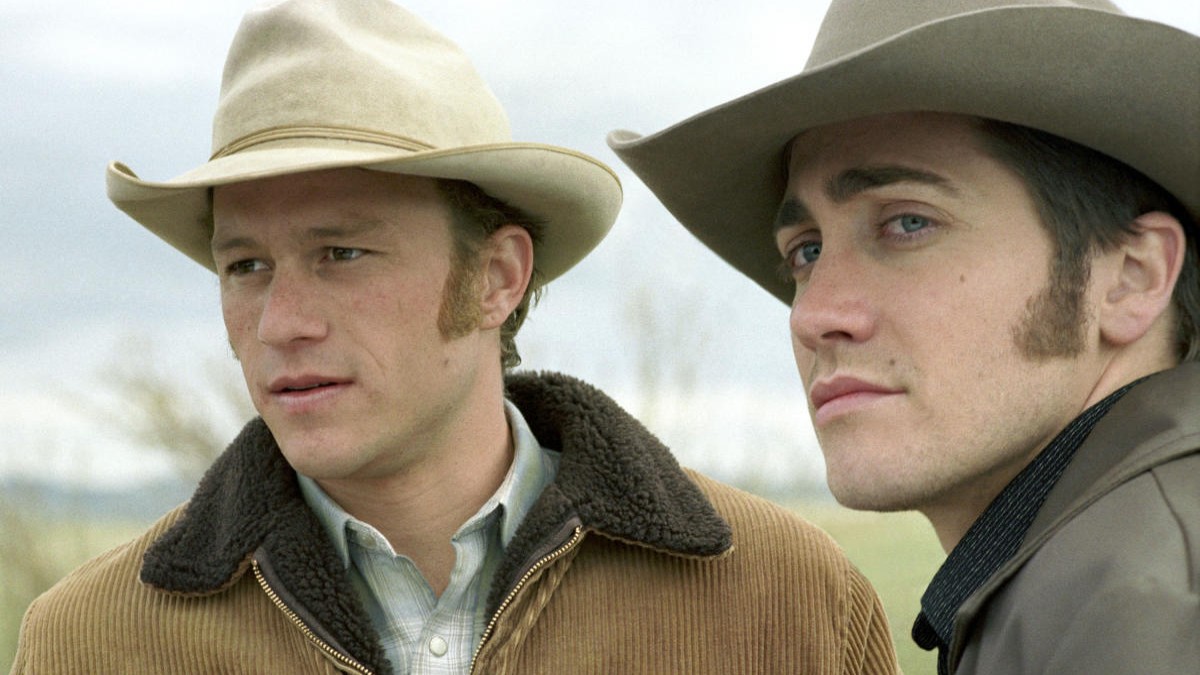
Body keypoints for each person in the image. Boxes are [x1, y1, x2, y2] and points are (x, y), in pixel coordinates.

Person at [12, 1, 900, 673]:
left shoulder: (787, 605)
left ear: (497, 278)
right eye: (245, 266)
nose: (281, 323)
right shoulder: (88, 642)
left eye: (342, 252)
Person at [609, 0, 1199, 673]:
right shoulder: (1076, 581)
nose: (812, 316)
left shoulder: (1140, 607)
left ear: (1130, 277)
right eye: (805, 251)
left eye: (907, 223)